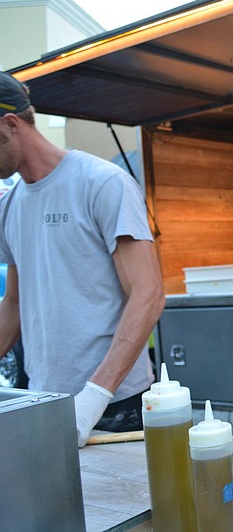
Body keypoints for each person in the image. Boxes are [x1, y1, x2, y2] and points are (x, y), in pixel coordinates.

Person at [0, 71, 165, 447]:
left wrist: (94, 397)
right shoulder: (9, 206)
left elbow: (148, 293)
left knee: (128, 508)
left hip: (115, 404)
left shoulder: (101, 182)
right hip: (46, 402)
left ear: (10, 124)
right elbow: (13, 304)